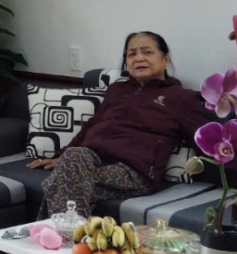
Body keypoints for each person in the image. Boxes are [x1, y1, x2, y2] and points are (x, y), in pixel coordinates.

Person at [30, 31, 209, 217]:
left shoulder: (181, 98)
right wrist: (63, 156)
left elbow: (207, 140)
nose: (138, 58)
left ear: (165, 59)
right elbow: (93, 123)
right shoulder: (117, 89)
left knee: (64, 182)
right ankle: (68, 233)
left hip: (133, 172)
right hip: (92, 160)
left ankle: (51, 232)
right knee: (74, 159)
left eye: (147, 52)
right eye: (131, 54)